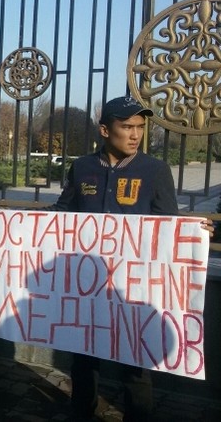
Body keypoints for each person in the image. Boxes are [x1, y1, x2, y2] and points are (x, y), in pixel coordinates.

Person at [50, 95, 212, 421]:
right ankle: (81, 412)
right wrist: (20, 225)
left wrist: (193, 231)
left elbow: (167, 226)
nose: (136, 134)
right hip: (88, 284)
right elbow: (63, 214)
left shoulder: (155, 170)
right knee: (82, 359)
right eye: (127, 127)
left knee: (135, 365)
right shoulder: (82, 167)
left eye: (140, 127)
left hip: (134, 291)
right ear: (105, 130)